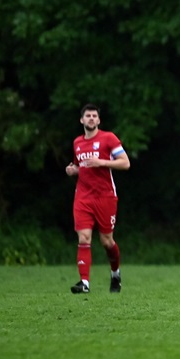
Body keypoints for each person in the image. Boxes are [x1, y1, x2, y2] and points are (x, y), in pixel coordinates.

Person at [65, 104, 131, 294]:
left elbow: (125, 163)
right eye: (88, 116)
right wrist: (73, 170)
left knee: (106, 241)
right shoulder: (77, 142)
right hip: (83, 197)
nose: (91, 118)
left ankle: (115, 273)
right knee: (84, 237)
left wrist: (101, 162)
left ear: (99, 120)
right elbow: (83, 167)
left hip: (105, 196)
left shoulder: (108, 138)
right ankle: (84, 283)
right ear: (82, 120)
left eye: (94, 115)